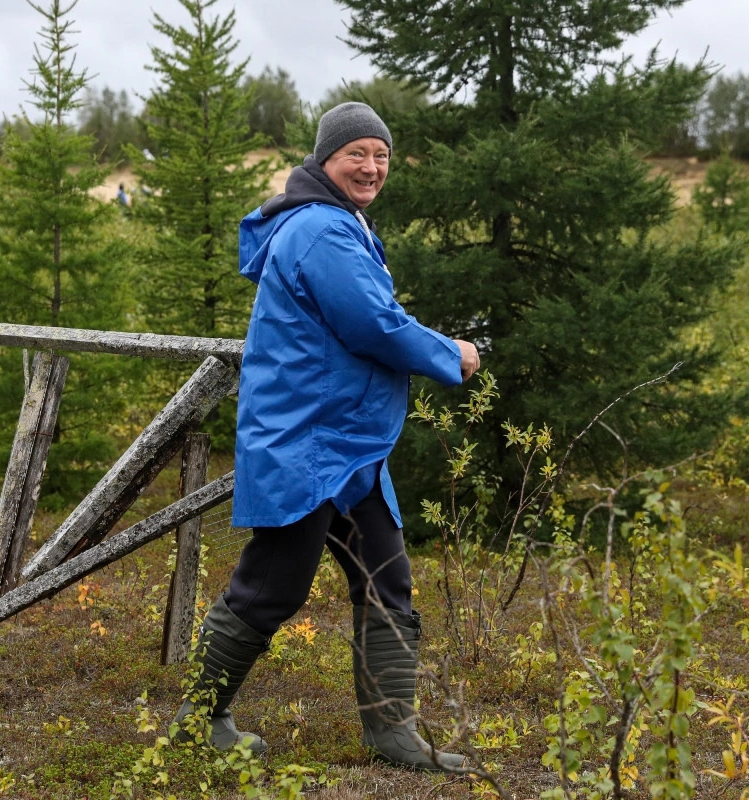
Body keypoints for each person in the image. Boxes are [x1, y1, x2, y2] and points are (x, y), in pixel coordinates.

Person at [171, 103, 480, 770]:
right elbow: (372, 323)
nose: (371, 167)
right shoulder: (319, 231)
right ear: (325, 160)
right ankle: (198, 720)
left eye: (382, 155)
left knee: (386, 578)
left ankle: (393, 733)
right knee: (272, 587)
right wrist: (447, 353)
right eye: (356, 155)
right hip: (306, 442)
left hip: (347, 446)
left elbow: (369, 317)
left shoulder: (340, 222)